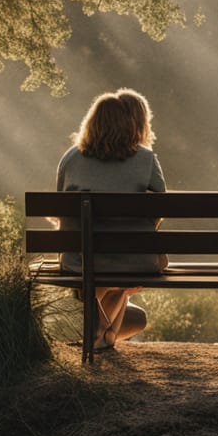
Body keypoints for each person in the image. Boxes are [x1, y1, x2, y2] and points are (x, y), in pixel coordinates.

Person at [57, 88, 166, 350]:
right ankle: (102, 334)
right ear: (128, 124)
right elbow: (162, 206)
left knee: (110, 273)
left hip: (81, 259)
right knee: (124, 275)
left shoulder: (70, 158)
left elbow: (63, 210)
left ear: (90, 123)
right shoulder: (145, 158)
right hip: (134, 258)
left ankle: (99, 334)